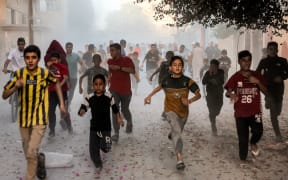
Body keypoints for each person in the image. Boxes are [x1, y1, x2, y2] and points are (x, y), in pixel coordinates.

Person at [2, 45, 66, 180]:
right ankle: (40, 161)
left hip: (40, 120)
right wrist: (15, 88)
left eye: (34, 58)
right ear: (24, 59)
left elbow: (57, 84)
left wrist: (61, 104)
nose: (30, 60)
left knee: (31, 152)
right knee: (28, 152)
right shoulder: (18, 74)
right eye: (27, 58)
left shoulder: (45, 73)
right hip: (24, 120)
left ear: (38, 59)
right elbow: (4, 95)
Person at [144, 56, 201, 170]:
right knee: (177, 133)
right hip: (169, 111)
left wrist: (189, 100)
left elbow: (198, 94)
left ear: (183, 68)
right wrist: (148, 96)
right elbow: (158, 88)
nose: (177, 67)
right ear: (170, 67)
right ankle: (179, 159)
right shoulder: (166, 80)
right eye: (174, 65)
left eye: (180, 65)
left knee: (177, 131)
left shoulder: (188, 81)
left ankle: (172, 133)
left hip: (183, 113)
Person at [225, 50, 267, 161]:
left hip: (256, 112)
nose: (246, 63)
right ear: (239, 62)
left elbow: (267, 91)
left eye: (249, 60)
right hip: (240, 114)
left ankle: (253, 142)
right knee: (242, 144)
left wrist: (257, 82)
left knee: (259, 131)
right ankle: (243, 161)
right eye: (243, 61)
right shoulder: (235, 77)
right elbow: (227, 92)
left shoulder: (256, 75)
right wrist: (232, 94)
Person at [78, 74, 124, 169]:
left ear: (105, 85)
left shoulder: (109, 96)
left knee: (106, 147)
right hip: (94, 127)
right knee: (93, 149)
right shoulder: (89, 97)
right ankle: (98, 163)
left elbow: (115, 109)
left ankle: (104, 144)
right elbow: (83, 107)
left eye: (100, 84)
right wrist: (82, 111)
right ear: (92, 85)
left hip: (105, 127)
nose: (98, 86)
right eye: (96, 84)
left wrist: (119, 118)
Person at [256, 42, 288, 142]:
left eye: (274, 48)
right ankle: (278, 135)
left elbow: (287, 73)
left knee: (278, 111)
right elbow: (257, 73)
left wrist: (281, 77)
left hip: (279, 90)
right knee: (273, 114)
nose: (272, 50)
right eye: (270, 48)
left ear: (277, 50)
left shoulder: (282, 61)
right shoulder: (263, 61)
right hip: (268, 89)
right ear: (267, 50)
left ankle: (268, 103)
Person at [107, 43, 135, 142]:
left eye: (113, 50)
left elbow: (132, 71)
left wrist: (119, 68)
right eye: (110, 51)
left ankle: (130, 121)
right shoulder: (109, 61)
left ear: (119, 50)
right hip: (114, 90)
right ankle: (116, 133)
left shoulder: (127, 59)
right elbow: (109, 73)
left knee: (124, 109)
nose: (111, 52)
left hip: (126, 90)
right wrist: (107, 79)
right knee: (114, 110)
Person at [47, 52, 73, 137]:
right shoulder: (49, 68)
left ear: (59, 60)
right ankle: (52, 131)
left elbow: (65, 78)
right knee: (50, 111)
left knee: (64, 111)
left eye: (55, 60)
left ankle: (69, 127)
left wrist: (59, 86)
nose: (53, 62)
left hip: (62, 92)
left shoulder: (63, 67)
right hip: (52, 93)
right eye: (52, 60)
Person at [202, 59, 224, 136]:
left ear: (217, 67)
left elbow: (222, 81)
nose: (212, 67)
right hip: (210, 95)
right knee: (211, 112)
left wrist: (215, 80)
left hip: (219, 94)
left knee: (217, 111)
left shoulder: (221, 72)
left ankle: (215, 115)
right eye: (211, 66)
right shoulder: (207, 73)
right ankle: (213, 125)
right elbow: (203, 82)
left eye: (214, 66)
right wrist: (210, 76)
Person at [65, 42, 83, 107]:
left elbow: (82, 63)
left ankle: (68, 105)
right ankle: (65, 104)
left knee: (71, 93)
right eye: (68, 47)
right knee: (65, 92)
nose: (69, 48)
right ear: (66, 48)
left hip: (73, 78)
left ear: (72, 48)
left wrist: (81, 69)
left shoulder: (75, 55)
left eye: (70, 47)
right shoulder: (62, 56)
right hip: (65, 78)